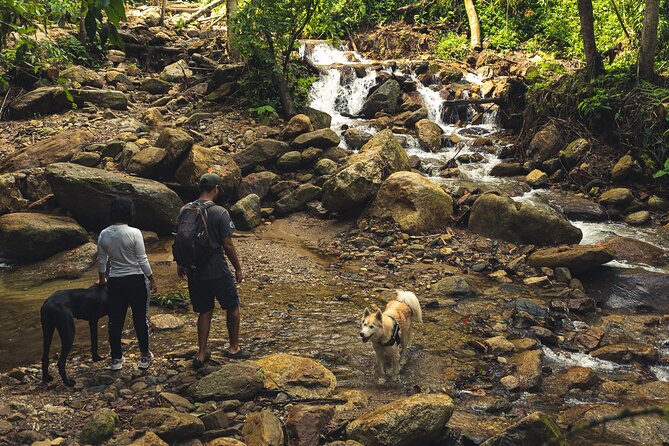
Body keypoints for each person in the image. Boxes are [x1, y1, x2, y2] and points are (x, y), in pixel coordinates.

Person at [174, 173, 248, 368]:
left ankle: (201, 353)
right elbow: (228, 244)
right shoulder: (220, 212)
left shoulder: (184, 210)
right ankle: (234, 347)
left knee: (204, 310)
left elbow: (180, 239)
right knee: (231, 306)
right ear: (216, 189)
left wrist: (180, 263)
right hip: (216, 267)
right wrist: (238, 268)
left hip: (194, 269)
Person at [97, 197, 158, 371]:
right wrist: (152, 279)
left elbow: (102, 261)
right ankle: (145, 357)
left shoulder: (104, 234)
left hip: (115, 281)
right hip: (136, 280)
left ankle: (116, 359)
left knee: (115, 321)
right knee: (140, 319)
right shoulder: (134, 233)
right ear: (129, 213)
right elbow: (142, 260)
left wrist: (102, 280)